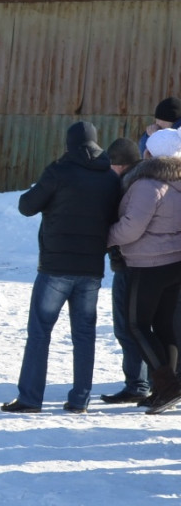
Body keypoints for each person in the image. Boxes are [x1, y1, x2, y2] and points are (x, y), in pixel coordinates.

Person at [2, 121, 120, 414]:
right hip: (91, 268)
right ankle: (80, 399)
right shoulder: (109, 178)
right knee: (84, 335)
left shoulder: (59, 171)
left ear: (69, 143)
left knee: (40, 332)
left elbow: (26, 206)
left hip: (56, 267)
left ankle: (30, 398)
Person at [107, 128, 181, 414]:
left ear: (149, 153)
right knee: (164, 326)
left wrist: (104, 237)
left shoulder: (148, 184)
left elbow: (131, 228)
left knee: (136, 325)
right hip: (176, 264)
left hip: (149, 264)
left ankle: (168, 386)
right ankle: (167, 387)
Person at [100, 138, 150, 404]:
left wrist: (105, 238)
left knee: (127, 327)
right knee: (150, 326)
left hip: (131, 264)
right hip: (153, 266)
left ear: (119, 165)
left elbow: (129, 227)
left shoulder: (127, 185)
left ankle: (137, 384)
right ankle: (156, 381)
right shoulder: (150, 179)